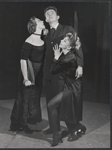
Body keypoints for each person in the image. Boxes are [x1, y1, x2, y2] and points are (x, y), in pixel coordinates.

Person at [43, 6, 86, 139]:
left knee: (64, 103)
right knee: (50, 100)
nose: (49, 15)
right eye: (47, 14)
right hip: (49, 73)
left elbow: (77, 45)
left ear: (58, 17)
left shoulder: (67, 29)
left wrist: (80, 65)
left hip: (62, 74)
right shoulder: (46, 33)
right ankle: (54, 126)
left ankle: (76, 128)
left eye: (52, 13)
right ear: (45, 19)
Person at [10, 16, 45, 133]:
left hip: (38, 72)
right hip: (29, 72)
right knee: (24, 98)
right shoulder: (29, 41)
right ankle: (21, 124)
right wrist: (25, 78)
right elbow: (23, 60)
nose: (43, 21)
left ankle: (29, 119)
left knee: (33, 97)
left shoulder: (42, 38)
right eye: (40, 21)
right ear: (34, 25)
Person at [48, 32, 85, 146]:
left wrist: (55, 57)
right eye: (63, 39)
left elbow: (53, 70)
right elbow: (78, 51)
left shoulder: (67, 58)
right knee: (65, 109)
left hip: (73, 87)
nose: (61, 41)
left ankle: (57, 135)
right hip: (71, 85)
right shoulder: (68, 54)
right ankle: (78, 128)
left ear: (69, 47)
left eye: (64, 41)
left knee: (51, 105)